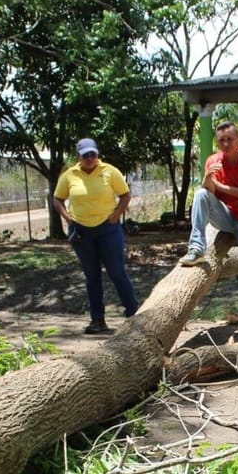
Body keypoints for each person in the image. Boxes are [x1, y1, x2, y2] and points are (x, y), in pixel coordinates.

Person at [179, 122, 238, 335]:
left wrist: (220, 187)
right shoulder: (213, 161)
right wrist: (208, 179)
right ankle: (196, 248)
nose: (225, 143)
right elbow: (208, 192)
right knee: (200, 194)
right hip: (225, 217)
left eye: (230, 139)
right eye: (221, 140)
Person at [53, 138, 141, 334]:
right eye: (86, 155)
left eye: (93, 154)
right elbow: (57, 199)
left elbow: (125, 195)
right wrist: (68, 218)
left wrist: (116, 215)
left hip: (108, 229)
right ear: (79, 156)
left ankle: (134, 315)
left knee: (117, 272)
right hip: (82, 232)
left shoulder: (110, 171)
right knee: (92, 276)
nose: (90, 158)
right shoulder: (69, 176)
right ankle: (98, 320)